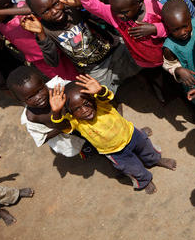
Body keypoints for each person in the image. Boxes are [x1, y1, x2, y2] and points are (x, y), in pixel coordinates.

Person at [49, 74, 177, 193]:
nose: (84, 110)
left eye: (86, 103)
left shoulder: (100, 103)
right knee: (132, 168)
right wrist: (56, 112)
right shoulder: (74, 121)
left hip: (131, 134)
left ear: (93, 98)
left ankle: (155, 160)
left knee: (147, 149)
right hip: (114, 151)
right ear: (70, 112)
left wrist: (99, 91)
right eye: (77, 109)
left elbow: (107, 97)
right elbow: (62, 126)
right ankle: (144, 180)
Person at [0, 0, 78, 81]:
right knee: (61, 81)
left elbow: (32, 9)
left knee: (73, 77)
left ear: (5, 6)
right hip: (38, 61)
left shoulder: (22, 11)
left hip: (54, 53)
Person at [6, 65, 84, 158]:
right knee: (83, 144)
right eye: (30, 97)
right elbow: (41, 138)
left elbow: (79, 93)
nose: (38, 97)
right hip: (70, 134)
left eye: (39, 90)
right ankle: (84, 150)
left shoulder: (59, 87)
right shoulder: (32, 117)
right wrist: (61, 127)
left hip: (85, 119)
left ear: (44, 82)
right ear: (20, 100)